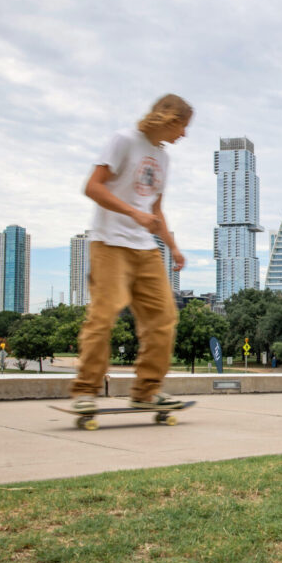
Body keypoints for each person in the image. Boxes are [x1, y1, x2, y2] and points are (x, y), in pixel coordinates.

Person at [69, 94, 192, 413]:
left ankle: (147, 391)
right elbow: (93, 187)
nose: (184, 134)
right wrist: (133, 214)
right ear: (169, 119)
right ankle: (86, 390)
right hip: (109, 243)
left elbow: (155, 210)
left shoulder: (164, 159)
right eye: (182, 126)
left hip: (145, 248)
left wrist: (173, 246)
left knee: (163, 317)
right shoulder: (123, 140)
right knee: (104, 314)